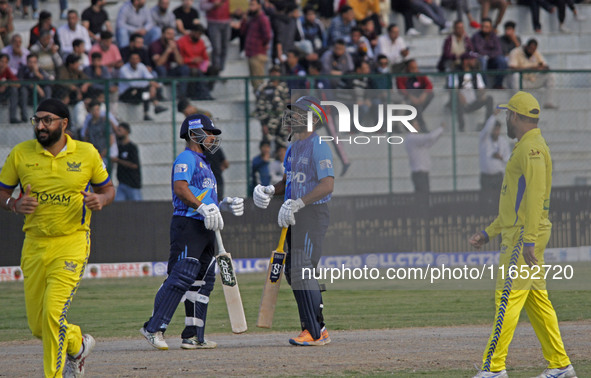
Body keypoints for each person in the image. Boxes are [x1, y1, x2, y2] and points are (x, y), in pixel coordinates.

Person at [0, 98, 115, 377]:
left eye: (47, 120)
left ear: (63, 124)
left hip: (72, 242)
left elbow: (108, 189)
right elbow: (2, 192)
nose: (40, 126)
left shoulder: (87, 154)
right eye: (37, 120)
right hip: (34, 244)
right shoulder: (20, 153)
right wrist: (14, 204)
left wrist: (100, 199)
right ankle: (77, 345)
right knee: (39, 326)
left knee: (52, 314)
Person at [469, 91, 577, 378]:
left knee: (507, 297)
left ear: (515, 116)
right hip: (520, 233)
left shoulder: (532, 149)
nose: (506, 118)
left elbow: (535, 196)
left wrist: (528, 239)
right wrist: (488, 232)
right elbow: (514, 203)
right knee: (537, 300)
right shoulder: (529, 146)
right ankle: (560, 365)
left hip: (522, 237)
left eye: (508, 114)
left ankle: (493, 369)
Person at [140, 113, 244, 350]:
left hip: (206, 225)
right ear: (194, 133)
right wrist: (201, 206)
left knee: (203, 281)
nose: (212, 138)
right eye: (208, 133)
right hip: (188, 224)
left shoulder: (205, 162)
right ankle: (153, 328)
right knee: (181, 276)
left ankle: (194, 335)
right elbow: (180, 188)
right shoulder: (186, 158)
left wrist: (221, 205)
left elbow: (205, 197)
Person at [253, 95, 334, 346]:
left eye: (298, 113)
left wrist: (300, 203)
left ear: (312, 119)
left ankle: (314, 332)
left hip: (312, 214)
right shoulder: (293, 147)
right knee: (293, 271)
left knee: (302, 269)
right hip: (294, 215)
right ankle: (316, 327)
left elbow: (327, 185)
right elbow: (289, 181)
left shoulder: (318, 145)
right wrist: (270, 190)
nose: (291, 118)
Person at [447, 52, 494, 132]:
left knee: (489, 99)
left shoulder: (475, 73)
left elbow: (481, 87)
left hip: (472, 102)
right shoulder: (456, 72)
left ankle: (486, 124)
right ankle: (461, 127)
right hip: (459, 102)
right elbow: (453, 88)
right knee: (458, 99)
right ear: (465, 61)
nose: (475, 61)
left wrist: (481, 94)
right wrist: (459, 94)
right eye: (472, 59)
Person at [508, 39, 557, 109]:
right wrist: (531, 68)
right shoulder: (515, 52)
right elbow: (512, 68)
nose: (531, 51)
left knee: (550, 75)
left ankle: (548, 103)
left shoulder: (535, 53)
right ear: (526, 46)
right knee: (516, 75)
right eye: (530, 48)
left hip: (532, 80)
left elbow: (546, 66)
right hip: (520, 82)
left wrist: (542, 68)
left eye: (533, 49)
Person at [118, 51, 167, 121]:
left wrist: (152, 84)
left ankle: (147, 113)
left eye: (137, 59)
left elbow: (149, 77)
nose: (135, 61)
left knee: (146, 93)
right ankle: (155, 105)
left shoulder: (141, 66)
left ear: (139, 60)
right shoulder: (124, 69)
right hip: (126, 94)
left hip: (138, 93)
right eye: (133, 59)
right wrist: (150, 84)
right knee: (146, 89)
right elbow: (132, 83)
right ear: (129, 60)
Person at [149, 26, 190, 99]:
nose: (171, 36)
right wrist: (167, 51)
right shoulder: (155, 45)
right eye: (168, 34)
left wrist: (175, 50)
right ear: (162, 34)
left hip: (169, 72)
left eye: (172, 34)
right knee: (161, 69)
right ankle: (159, 94)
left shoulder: (174, 44)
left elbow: (180, 63)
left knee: (184, 68)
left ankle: (182, 95)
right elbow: (158, 63)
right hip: (157, 73)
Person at [254, 65, 290, 148]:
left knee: (281, 144)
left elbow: (288, 105)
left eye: (277, 72)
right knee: (266, 142)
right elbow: (260, 105)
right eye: (273, 72)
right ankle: (266, 159)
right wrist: (263, 123)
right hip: (269, 119)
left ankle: (280, 160)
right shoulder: (264, 87)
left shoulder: (284, 87)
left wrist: (289, 122)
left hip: (282, 120)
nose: (275, 74)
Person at [404, 121, 444, 193]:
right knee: (423, 195)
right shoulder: (412, 138)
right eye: (415, 124)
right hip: (419, 173)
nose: (418, 126)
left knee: (423, 195)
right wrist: (441, 128)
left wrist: (439, 134)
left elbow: (429, 143)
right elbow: (429, 137)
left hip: (423, 173)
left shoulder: (415, 139)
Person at [240, 0, 272, 90]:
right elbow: (242, 31)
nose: (251, 7)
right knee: (254, 81)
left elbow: (267, 35)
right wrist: (244, 19)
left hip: (258, 53)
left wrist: (263, 44)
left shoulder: (262, 19)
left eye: (253, 5)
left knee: (258, 81)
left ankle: (261, 101)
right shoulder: (252, 19)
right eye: (250, 5)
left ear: (259, 6)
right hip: (251, 52)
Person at [479, 110, 510, 200]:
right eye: (494, 129)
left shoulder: (503, 142)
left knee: (500, 201)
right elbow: (486, 129)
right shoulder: (484, 139)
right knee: (485, 201)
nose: (496, 132)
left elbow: (508, 157)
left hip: (498, 176)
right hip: (486, 177)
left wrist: (501, 158)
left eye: (497, 130)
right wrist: (493, 116)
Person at [177, 24, 214, 101]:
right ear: (192, 32)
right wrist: (192, 60)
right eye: (197, 33)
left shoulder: (201, 42)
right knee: (195, 72)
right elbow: (179, 60)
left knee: (214, 69)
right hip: (186, 66)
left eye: (200, 34)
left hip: (198, 66)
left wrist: (204, 66)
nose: (198, 36)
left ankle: (206, 91)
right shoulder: (182, 41)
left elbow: (205, 58)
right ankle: (200, 94)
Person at [396, 59, 433, 131]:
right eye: (412, 68)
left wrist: (424, 94)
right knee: (417, 107)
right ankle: (422, 127)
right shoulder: (401, 76)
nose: (415, 70)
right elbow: (401, 89)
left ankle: (410, 120)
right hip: (407, 98)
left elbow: (429, 85)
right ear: (407, 68)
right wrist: (410, 96)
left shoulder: (419, 74)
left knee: (430, 95)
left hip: (419, 97)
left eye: (416, 68)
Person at [471, 18, 507, 89]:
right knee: (483, 61)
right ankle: (484, 85)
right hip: (480, 59)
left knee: (502, 60)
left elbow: (498, 50)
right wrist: (488, 54)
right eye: (483, 27)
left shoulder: (494, 36)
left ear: (490, 28)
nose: (484, 29)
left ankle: (498, 84)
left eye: (487, 27)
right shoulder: (476, 36)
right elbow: (479, 50)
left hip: (492, 59)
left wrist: (489, 55)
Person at [112, 122, 142, 201]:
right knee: (118, 209)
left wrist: (118, 161)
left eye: (120, 130)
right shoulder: (118, 147)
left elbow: (134, 165)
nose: (118, 133)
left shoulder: (132, 147)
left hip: (132, 184)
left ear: (127, 132)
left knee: (138, 209)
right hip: (122, 183)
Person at [18, 53, 52, 119]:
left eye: (34, 62)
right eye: (30, 62)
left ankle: (47, 113)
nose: (32, 64)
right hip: (27, 95)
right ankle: (24, 116)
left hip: (39, 95)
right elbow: (20, 81)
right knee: (23, 90)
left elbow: (48, 82)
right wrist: (34, 86)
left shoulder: (40, 70)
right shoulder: (22, 70)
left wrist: (38, 74)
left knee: (47, 89)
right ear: (27, 62)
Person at [200, 0, 231, 72]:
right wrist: (213, 5)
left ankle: (221, 68)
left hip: (227, 22)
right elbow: (202, 6)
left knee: (225, 47)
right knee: (217, 48)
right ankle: (216, 68)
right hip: (214, 22)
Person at [0, 52, 21, 123]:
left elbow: (18, 84)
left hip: (4, 94)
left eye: (6, 62)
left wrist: (6, 84)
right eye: (1, 61)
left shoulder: (7, 70)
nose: (3, 64)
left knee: (14, 90)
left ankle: (13, 117)